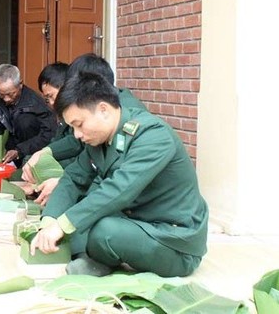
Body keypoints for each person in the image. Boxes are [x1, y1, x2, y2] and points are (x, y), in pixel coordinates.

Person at [30, 71, 208, 277]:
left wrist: (63, 224)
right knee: (75, 225)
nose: (77, 134)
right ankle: (97, 258)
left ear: (103, 110)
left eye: (79, 125)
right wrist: (50, 222)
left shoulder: (153, 135)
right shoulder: (100, 139)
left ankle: (99, 257)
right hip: (136, 224)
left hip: (172, 239)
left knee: (102, 231)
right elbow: (72, 178)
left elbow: (119, 189)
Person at [22, 54, 147, 205]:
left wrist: (62, 186)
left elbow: (113, 183)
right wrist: (45, 152)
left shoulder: (125, 115)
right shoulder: (93, 110)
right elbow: (76, 144)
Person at [0, 64, 57, 167]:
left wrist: (19, 150)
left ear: (20, 84)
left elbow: (48, 133)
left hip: (26, 151)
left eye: (11, 94)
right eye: (1, 94)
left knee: (25, 121)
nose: (6, 99)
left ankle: (24, 164)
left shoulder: (35, 102)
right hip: (0, 151)